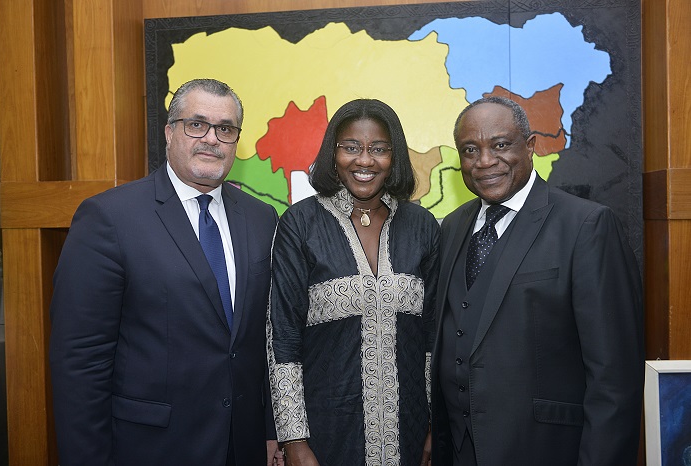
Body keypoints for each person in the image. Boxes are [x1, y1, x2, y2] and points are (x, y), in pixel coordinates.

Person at [49, 78, 282, 465]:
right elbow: (80, 361)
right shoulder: (109, 218)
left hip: (243, 445)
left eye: (225, 129)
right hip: (150, 447)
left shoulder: (261, 218)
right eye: (197, 124)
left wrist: (273, 430)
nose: (212, 139)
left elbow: (269, 339)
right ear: (170, 132)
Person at [430, 96, 644, 465]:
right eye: (470, 150)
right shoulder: (452, 227)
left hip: (546, 451)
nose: (485, 161)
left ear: (530, 146)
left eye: (500, 145)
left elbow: (614, 381)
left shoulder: (586, 226)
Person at [266, 99, 439, 466]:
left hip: (409, 434)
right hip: (326, 435)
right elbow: (282, 336)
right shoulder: (301, 224)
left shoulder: (422, 226)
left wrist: (433, 427)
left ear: (394, 157)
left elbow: (434, 338)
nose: (364, 160)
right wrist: (294, 439)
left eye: (379, 149)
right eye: (351, 147)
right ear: (333, 153)